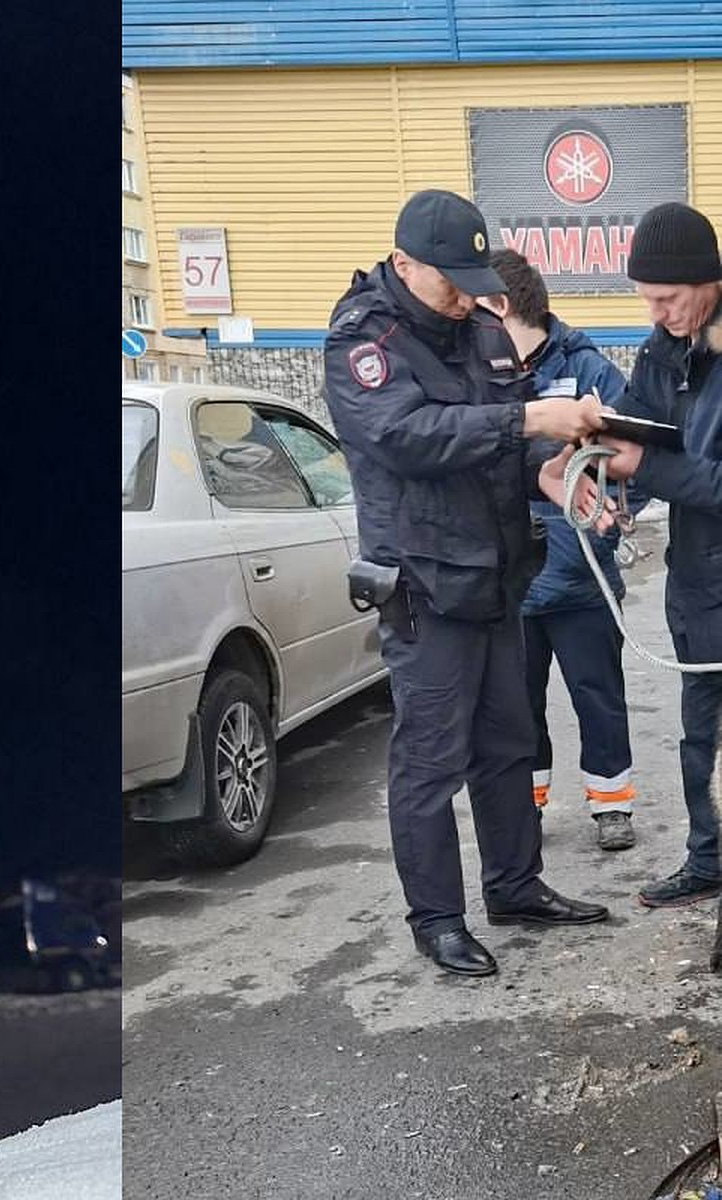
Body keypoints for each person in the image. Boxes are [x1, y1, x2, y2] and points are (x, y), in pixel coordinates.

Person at [324, 188, 611, 980]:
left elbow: (505, 444)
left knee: (508, 745)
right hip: (422, 586)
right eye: (447, 277)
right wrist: (528, 425)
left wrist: (552, 475)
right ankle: (438, 920)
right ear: (403, 261)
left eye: (470, 276)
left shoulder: (482, 330)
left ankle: (515, 887)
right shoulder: (362, 341)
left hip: (494, 577)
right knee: (430, 761)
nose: (464, 292)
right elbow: (406, 437)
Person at [481, 249, 638, 852]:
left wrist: (613, 516)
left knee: (598, 696)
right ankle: (528, 802)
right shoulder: (481, 371)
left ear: (502, 305)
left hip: (580, 578)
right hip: (510, 582)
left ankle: (611, 802)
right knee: (517, 707)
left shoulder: (589, 371)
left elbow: (632, 460)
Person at [600, 201, 722, 907]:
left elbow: (666, 461)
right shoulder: (665, 348)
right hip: (698, 591)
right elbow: (641, 431)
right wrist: (614, 486)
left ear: (706, 281)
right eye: (646, 298)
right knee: (698, 740)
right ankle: (708, 862)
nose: (657, 312)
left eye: (668, 298)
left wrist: (643, 465)